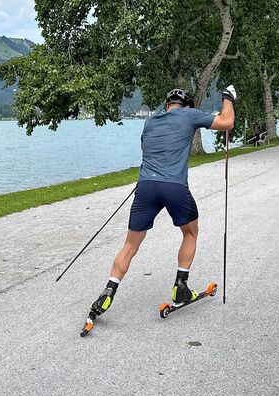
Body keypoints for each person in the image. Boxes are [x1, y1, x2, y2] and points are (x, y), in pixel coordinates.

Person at [87, 85, 236, 320]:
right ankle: (181, 286)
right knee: (190, 232)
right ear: (186, 106)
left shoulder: (151, 121)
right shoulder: (189, 114)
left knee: (130, 245)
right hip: (174, 187)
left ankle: (108, 291)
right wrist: (228, 98)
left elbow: (145, 148)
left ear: (168, 105)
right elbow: (227, 122)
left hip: (146, 187)